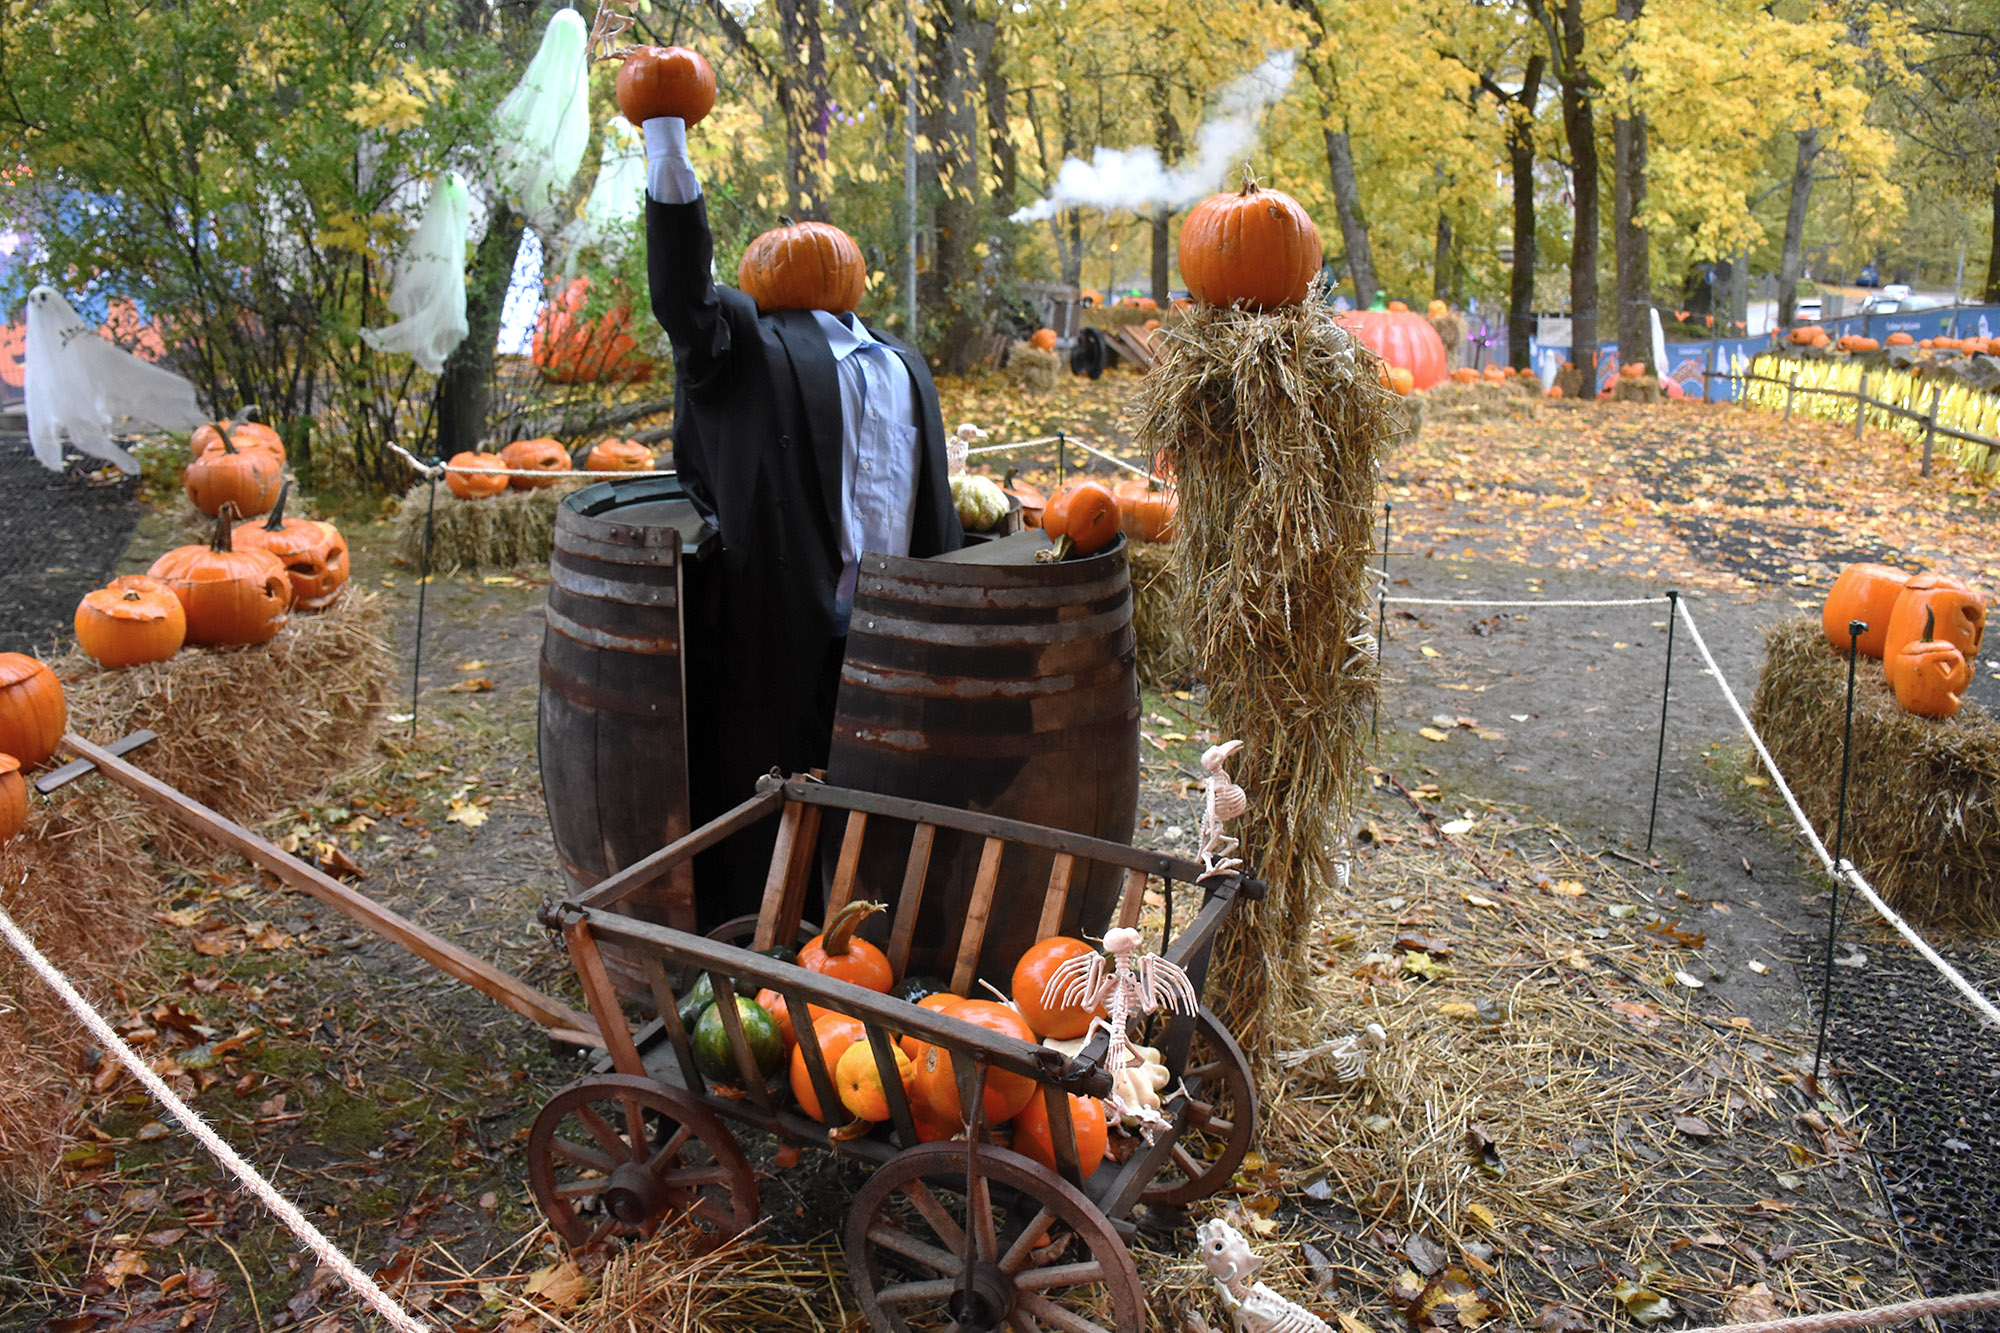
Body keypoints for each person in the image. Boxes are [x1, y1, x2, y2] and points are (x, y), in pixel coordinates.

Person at [641, 113, 963, 927]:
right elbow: (684, 300)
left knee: (891, 802)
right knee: (772, 799)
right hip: (783, 622)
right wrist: (666, 139)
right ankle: (765, 947)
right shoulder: (749, 343)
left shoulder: (901, 362)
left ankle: (880, 940)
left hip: (896, 627)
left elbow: (925, 497)